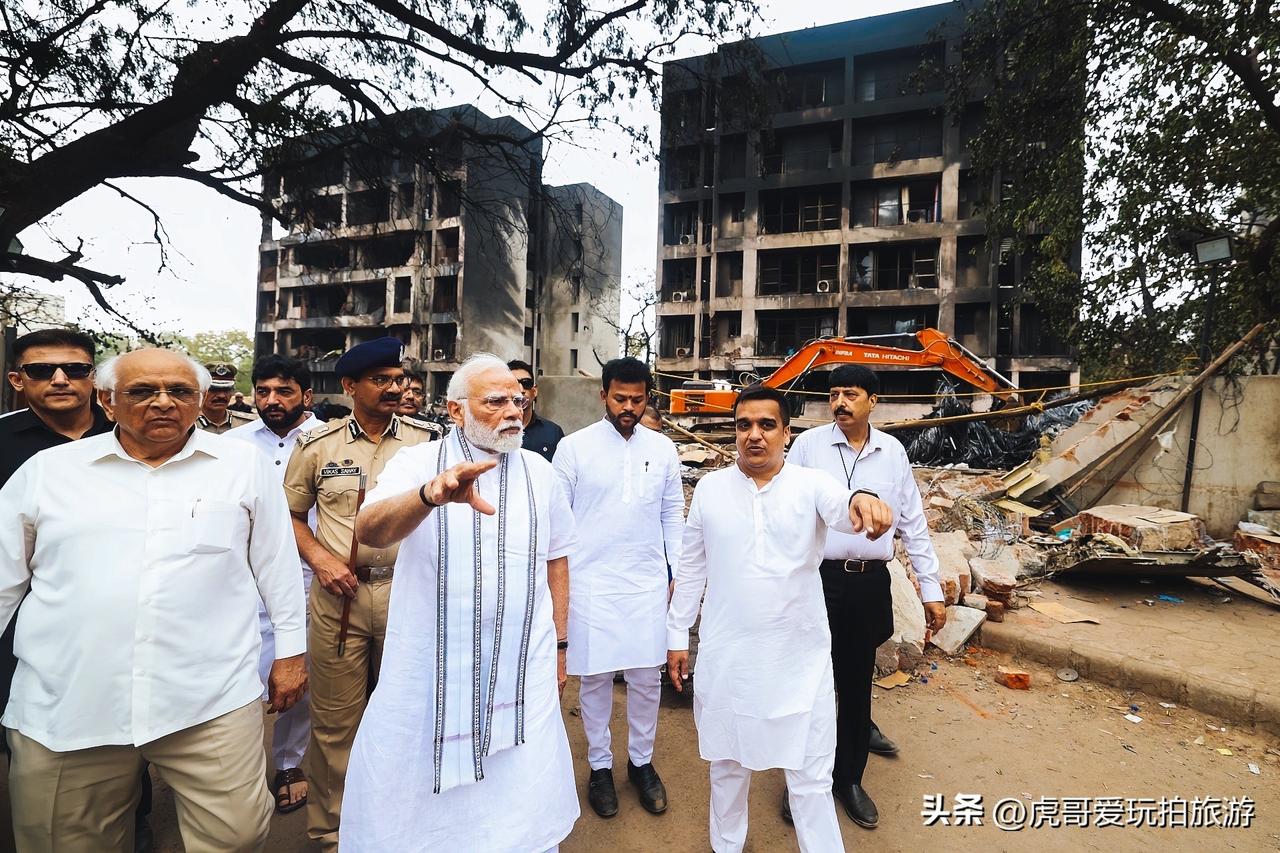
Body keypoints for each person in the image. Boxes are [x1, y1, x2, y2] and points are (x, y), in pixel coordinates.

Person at [0, 348, 308, 852]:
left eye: (180, 392)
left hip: (209, 696)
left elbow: (277, 566)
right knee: (65, 839)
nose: (163, 403)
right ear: (108, 400)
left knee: (238, 832)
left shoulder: (241, 467)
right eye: (143, 391)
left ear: (201, 399)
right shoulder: (49, 472)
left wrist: (292, 655)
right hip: (71, 701)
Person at [342, 354, 578, 852]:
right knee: (413, 791)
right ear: (455, 410)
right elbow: (368, 530)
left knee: (521, 787)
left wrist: (559, 646)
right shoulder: (416, 464)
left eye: (519, 399)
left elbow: (557, 561)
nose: (513, 410)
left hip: (521, 668)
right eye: (495, 401)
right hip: (428, 671)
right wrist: (429, 495)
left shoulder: (541, 472)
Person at [667, 384, 893, 853]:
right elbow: (691, 569)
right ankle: (726, 847)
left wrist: (865, 499)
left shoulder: (811, 485)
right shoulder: (710, 490)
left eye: (767, 425)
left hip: (798, 660)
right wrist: (675, 637)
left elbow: (846, 507)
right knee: (728, 770)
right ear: (734, 433)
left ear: (787, 433)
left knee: (809, 778)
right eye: (744, 425)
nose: (754, 435)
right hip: (730, 656)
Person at [282, 337, 437, 852]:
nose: (395, 388)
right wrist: (321, 559)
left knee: (411, 714)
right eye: (381, 380)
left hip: (409, 597)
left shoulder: (428, 443)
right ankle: (333, 833)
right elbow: (292, 517)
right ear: (349, 387)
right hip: (340, 602)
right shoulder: (316, 447)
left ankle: (404, 826)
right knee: (335, 723)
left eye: (399, 379)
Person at [0, 330, 144, 849]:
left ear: (96, 381)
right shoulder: (6, 443)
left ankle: (134, 826)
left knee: (132, 732)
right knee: (38, 740)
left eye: (76, 369)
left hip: (127, 615)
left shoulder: (136, 432)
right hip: (25, 624)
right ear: (18, 381)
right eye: (42, 371)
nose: (60, 379)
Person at [785, 365, 946, 830]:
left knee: (855, 685)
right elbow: (788, 509)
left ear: (872, 400)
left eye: (850, 394)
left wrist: (930, 589)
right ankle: (799, 784)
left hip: (869, 579)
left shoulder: (892, 452)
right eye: (834, 394)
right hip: (818, 579)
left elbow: (913, 522)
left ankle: (848, 779)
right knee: (809, 683)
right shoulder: (809, 447)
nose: (840, 402)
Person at [552, 357, 682, 818]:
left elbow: (671, 515)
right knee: (596, 679)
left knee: (648, 679)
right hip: (591, 584)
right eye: (620, 398)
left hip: (647, 583)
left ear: (649, 396)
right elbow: (558, 523)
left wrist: (675, 575)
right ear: (602, 394)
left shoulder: (663, 448)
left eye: (637, 398)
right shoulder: (574, 449)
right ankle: (600, 766)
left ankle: (642, 763)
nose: (629, 406)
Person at [227, 354, 321, 816]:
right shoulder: (231, 445)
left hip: (307, 577)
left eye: (283, 391)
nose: (271, 400)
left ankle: (289, 764)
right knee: (239, 674)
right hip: (240, 582)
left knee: (296, 674)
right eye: (262, 391)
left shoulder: (327, 440)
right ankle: (234, 771)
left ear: (307, 396)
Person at [508, 359, 564, 462]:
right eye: (514, 383)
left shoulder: (552, 432)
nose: (521, 390)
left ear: (534, 391)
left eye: (526, 383)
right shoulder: (496, 429)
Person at [197, 363, 256, 433]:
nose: (221, 396)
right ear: (201, 391)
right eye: (214, 389)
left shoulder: (247, 425)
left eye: (227, 389)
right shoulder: (186, 424)